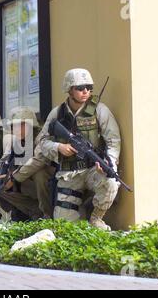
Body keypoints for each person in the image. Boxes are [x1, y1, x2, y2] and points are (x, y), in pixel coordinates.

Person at [36, 68, 121, 230]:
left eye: (89, 87)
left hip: (93, 170)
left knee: (111, 183)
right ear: (69, 89)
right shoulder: (57, 113)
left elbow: (113, 140)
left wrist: (108, 162)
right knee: (64, 227)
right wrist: (59, 147)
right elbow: (42, 141)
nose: (86, 92)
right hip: (69, 174)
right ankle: (81, 212)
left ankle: (96, 218)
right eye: (80, 88)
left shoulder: (99, 110)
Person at [0, 106, 54, 220]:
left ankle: (48, 215)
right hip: (26, 183)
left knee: (39, 174)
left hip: (49, 186)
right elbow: (5, 162)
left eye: (21, 125)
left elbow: (38, 161)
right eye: (14, 126)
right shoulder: (16, 141)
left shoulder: (41, 138)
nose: (16, 129)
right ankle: (29, 211)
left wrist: (14, 178)